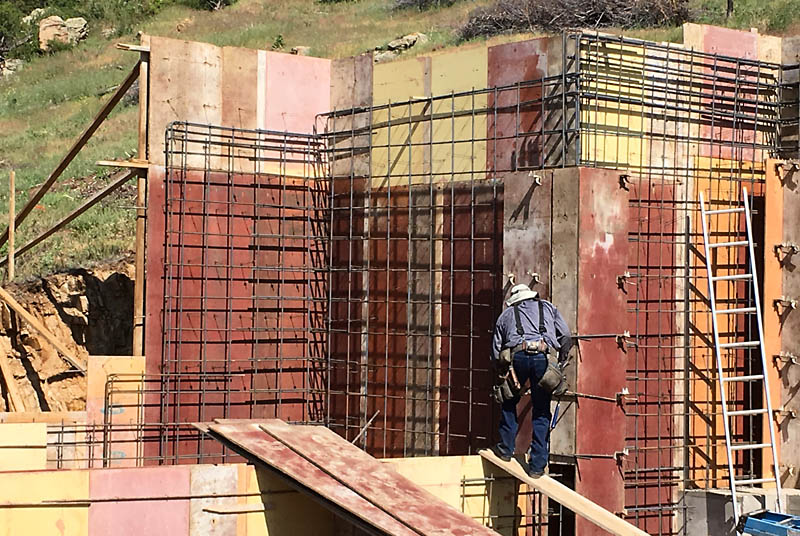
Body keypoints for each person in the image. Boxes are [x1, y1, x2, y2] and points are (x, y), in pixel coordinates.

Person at [490, 283, 573, 477]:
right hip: (543, 359)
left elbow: (496, 349)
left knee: (509, 401)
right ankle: (537, 467)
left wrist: (502, 371)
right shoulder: (548, 308)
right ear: (531, 296)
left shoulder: (507, 314)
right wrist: (561, 360)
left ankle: (505, 450)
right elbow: (566, 335)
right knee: (541, 410)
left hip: (517, 358)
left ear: (515, 300)